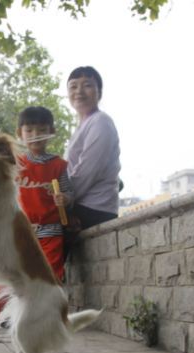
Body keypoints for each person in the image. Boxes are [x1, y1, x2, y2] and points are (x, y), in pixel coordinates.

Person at [0, 106, 72, 332]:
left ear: (51, 131)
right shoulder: (13, 163)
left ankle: (36, 316)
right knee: (9, 272)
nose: (36, 135)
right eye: (30, 130)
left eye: (42, 130)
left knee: (49, 276)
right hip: (20, 231)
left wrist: (64, 198)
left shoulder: (59, 166)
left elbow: (68, 193)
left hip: (50, 231)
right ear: (20, 133)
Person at [65, 66, 121, 230]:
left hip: (94, 209)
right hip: (82, 205)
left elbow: (87, 171)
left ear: (99, 92)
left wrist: (64, 201)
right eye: (73, 86)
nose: (79, 91)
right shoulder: (83, 126)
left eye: (87, 85)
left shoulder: (101, 122)